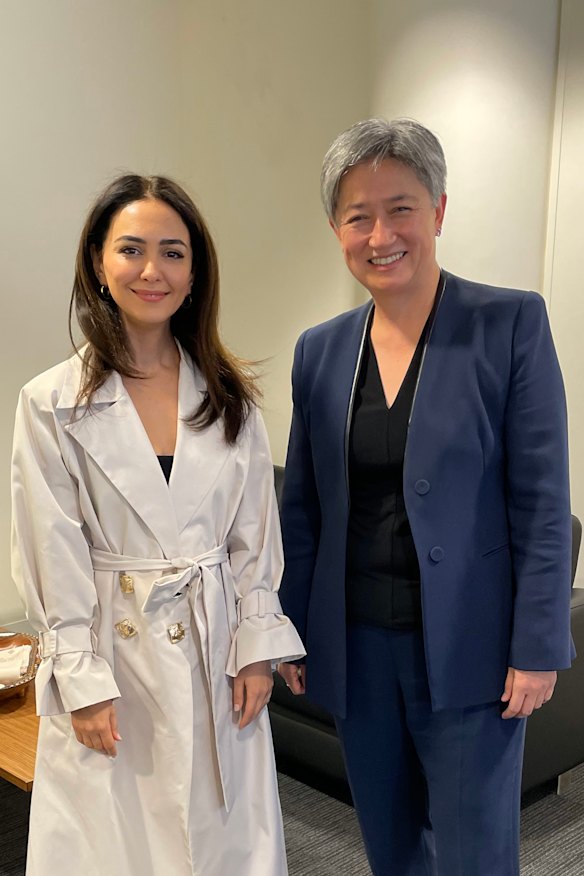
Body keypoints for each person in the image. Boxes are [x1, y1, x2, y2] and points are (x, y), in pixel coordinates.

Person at [277, 119, 573, 876]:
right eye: (358, 215)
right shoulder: (320, 349)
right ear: (338, 230)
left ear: (438, 211)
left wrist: (538, 645)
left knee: (476, 853)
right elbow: (303, 508)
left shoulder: (508, 323)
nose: (381, 233)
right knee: (391, 844)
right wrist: (290, 627)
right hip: (357, 648)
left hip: (472, 652)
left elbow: (543, 502)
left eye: (401, 207)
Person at [11, 173, 305, 876]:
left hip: (215, 650)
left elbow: (252, 539)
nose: (153, 271)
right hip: (117, 658)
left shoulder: (231, 398)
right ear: (97, 265)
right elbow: (51, 547)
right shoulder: (51, 402)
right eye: (132, 250)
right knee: (115, 843)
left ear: (196, 272)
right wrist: (79, 678)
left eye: (173, 253)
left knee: (221, 838)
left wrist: (258, 646)